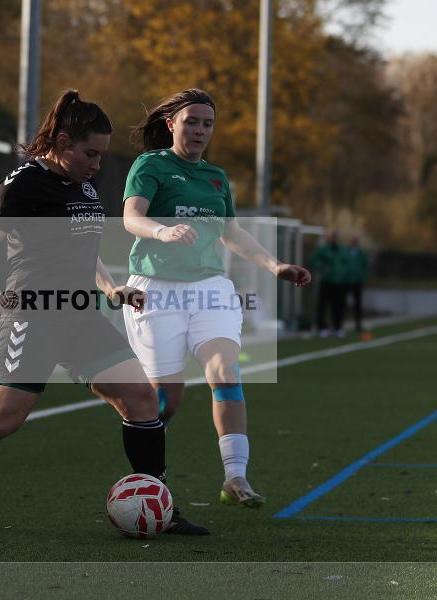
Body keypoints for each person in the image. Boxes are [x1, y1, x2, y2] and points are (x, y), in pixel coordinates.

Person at [0, 90, 208, 534]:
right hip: (32, 315)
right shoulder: (22, 184)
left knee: (142, 399)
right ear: (63, 142)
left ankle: (159, 506)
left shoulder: (83, 184)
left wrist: (111, 288)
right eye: (90, 154)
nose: (97, 164)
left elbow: (86, 250)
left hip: (80, 315)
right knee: (0, 422)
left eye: (101, 155)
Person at [121, 88, 311, 509]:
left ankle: (236, 477)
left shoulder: (216, 177)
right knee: (166, 401)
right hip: (155, 290)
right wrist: (162, 231)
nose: (200, 130)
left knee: (225, 372)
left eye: (207, 124)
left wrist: (274, 265)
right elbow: (132, 216)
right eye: (191, 121)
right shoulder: (151, 165)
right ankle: (146, 480)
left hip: (209, 289)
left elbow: (231, 232)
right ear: (171, 124)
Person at [310, 230, 347, 338]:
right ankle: (322, 328)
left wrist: (343, 273)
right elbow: (313, 260)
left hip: (339, 282)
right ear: (329, 238)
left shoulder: (342, 250)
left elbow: (347, 263)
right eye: (332, 237)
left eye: (335, 237)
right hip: (326, 282)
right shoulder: (323, 249)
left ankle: (338, 328)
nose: (334, 239)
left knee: (338, 306)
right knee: (322, 305)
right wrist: (322, 267)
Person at [343, 235, 369, 333]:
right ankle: (340, 323)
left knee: (358, 303)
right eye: (352, 241)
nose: (353, 243)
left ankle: (358, 324)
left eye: (355, 241)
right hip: (346, 281)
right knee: (342, 303)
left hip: (357, 281)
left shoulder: (362, 253)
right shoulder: (345, 252)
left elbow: (366, 266)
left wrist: (362, 277)